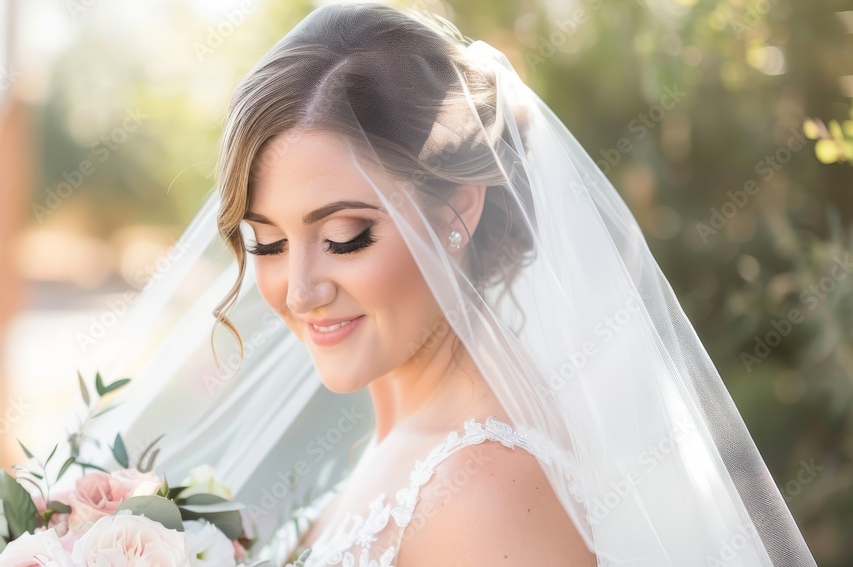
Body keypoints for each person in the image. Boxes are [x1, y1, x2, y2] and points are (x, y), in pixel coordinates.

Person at [78, 3, 818, 566]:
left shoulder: (486, 494)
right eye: (266, 243)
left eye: (345, 237)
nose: (298, 291)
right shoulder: (411, 435)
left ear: (457, 210)